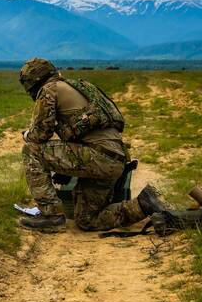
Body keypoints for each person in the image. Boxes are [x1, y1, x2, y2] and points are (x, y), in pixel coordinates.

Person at [17, 58, 168, 232]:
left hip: (97, 157)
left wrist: (27, 135)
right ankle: (144, 204)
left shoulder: (49, 90)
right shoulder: (78, 87)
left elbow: (40, 134)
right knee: (87, 220)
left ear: (32, 81)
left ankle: (51, 216)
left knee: (31, 150)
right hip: (114, 161)